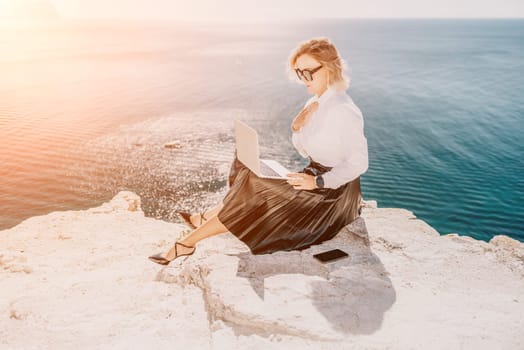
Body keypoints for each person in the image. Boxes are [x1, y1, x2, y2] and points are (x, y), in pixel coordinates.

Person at [148, 37, 369, 265]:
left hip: (334, 196)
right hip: (313, 176)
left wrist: (318, 183)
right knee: (249, 174)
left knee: (256, 191)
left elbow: (359, 163)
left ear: (330, 68)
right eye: (299, 73)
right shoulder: (314, 104)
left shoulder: (344, 110)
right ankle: (201, 220)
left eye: (308, 72)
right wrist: (298, 127)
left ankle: (186, 243)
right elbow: (305, 151)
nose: (303, 79)